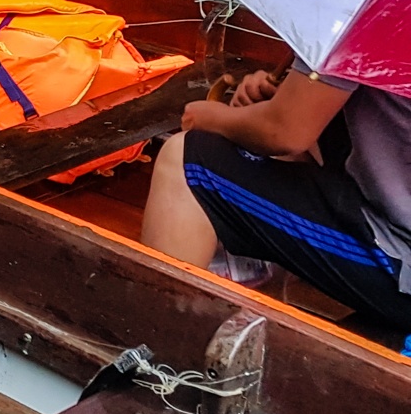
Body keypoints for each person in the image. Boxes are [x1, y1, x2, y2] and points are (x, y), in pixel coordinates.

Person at [142, 62, 411, 337]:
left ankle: (153, 344)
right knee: (280, 157)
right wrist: (282, 102)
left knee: (188, 159)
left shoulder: (346, 37)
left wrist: (213, 118)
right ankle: (259, 330)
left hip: (402, 260)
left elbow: (285, 133)